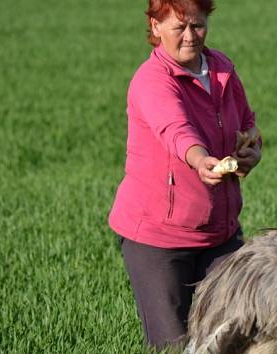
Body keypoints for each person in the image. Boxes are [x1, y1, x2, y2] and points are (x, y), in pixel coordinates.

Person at [107, 0, 261, 351]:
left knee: (237, 336)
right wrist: (200, 159)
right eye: (180, 27)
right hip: (159, 241)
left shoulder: (221, 68)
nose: (191, 36)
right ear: (156, 27)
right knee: (174, 345)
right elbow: (175, 130)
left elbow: (247, 122)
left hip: (221, 234)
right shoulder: (152, 80)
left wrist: (253, 149)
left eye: (198, 25)